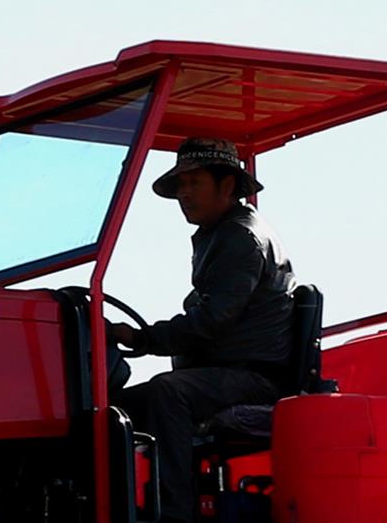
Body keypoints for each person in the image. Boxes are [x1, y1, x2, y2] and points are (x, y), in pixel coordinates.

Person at [113, 136, 294, 452]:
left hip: (253, 379)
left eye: (194, 182)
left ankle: (175, 502)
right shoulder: (220, 234)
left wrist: (140, 338)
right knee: (114, 411)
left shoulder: (240, 237)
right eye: (181, 184)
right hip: (226, 373)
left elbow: (213, 320)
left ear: (226, 185)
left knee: (167, 392)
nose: (184, 193)